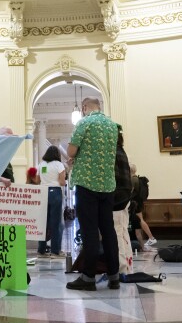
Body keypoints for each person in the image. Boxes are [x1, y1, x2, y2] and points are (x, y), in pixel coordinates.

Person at [65, 97, 119, 291]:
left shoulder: (84, 122)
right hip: (107, 184)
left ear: (84, 107)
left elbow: (71, 151)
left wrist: (74, 158)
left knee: (89, 231)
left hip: (87, 183)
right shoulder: (113, 125)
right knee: (108, 230)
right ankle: (114, 276)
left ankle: (88, 277)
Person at [36, 145, 67, 259]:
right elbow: (62, 182)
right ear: (57, 155)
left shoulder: (41, 164)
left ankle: (41, 250)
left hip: (43, 192)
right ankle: (55, 251)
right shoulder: (59, 165)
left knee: (43, 222)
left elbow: (37, 180)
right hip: (55, 193)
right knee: (55, 223)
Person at [113, 125, 133, 274]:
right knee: (123, 232)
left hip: (117, 198)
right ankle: (127, 267)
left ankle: (122, 269)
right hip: (124, 197)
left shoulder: (112, 151)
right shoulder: (122, 150)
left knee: (118, 234)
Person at [129, 163, 156, 251]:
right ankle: (150, 238)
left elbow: (130, 192)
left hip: (134, 202)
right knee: (140, 220)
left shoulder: (132, 180)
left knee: (140, 220)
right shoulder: (138, 178)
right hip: (139, 202)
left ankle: (151, 237)